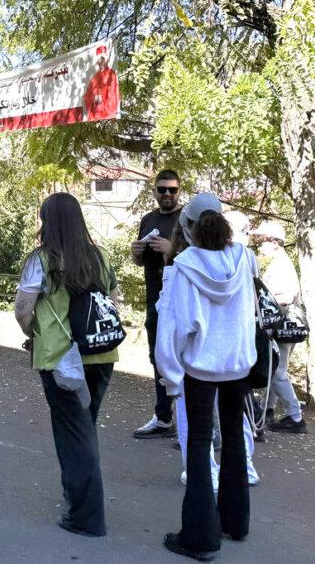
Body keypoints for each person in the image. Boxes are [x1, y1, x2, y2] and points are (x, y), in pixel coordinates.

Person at [155, 193, 258, 560]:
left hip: (200, 366)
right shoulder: (245, 258)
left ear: (188, 229)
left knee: (199, 444)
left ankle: (200, 537)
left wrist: (171, 378)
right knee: (233, 438)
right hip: (238, 363)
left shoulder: (183, 267)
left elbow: (174, 326)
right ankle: (235, 521)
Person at [14, 192, 119, 537]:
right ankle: (76, 495)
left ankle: (86, 516)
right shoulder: (100, 256)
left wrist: (33, 333)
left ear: (48, 221)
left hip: (60, 357)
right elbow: (112, 301)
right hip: (100, 352)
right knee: (85, 426)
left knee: (73, 433)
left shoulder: (42, 260)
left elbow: (23, 309)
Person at [130, 169, 183, 439]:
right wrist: (136, 254)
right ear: (155, 192)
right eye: (162, 189)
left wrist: (171, 251)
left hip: (181, 303)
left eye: (172, 190)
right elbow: (140, 262)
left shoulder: (187, 220)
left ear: (180, 191)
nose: (167, 194)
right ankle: (163, 418)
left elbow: (198, 260)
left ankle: (191, 424)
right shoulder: (148, 219)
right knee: (158, 358)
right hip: (155, 300)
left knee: (183, 360)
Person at [252, 221, 308, 434]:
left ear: (274, 243)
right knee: (275, 368)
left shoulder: (281, 265)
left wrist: (265, 302)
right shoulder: (280, 263)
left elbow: (286, 296)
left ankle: (295, 416)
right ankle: (267, 409)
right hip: (283, 325)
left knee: (277, 371)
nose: (259, 246)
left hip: (281, 324)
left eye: (262, 241)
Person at [83, 46, 120, 121]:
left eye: (102, 59)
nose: (100, 62)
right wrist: (93, 97)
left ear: (105, 60)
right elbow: (87, 95)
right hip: (96, 112)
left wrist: (102, 98)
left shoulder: (112, 74)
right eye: (99, 60)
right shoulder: (95, 76)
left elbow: (114, 93)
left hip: (106, 111)